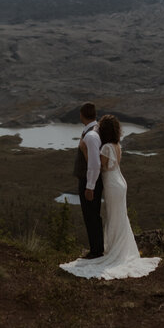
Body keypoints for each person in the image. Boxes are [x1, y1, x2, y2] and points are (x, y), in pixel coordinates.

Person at [60, 114, 161, 279]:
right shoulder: (117, 145)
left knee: (114, 217)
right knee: (120, 216)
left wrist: (85, 150)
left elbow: (98, 167)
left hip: (113, 185)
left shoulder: (106, 147)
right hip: (120, 183)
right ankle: (117, 248)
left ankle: (115, 251)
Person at [74, 101, 103, 259]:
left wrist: (90, 187)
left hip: (89, 181)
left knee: (91, 215)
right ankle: (96, 248)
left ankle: (96, 251)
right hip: (90, 180)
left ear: (81, 115)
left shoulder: (91, 135)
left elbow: (94, 163)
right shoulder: (93, 130)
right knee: (92, 215)